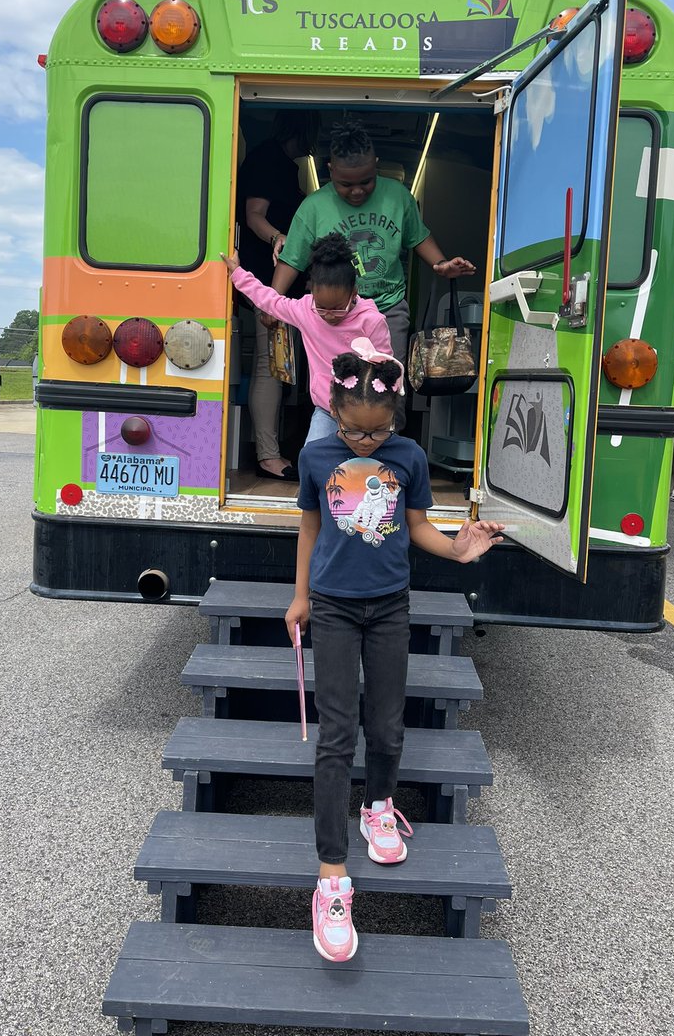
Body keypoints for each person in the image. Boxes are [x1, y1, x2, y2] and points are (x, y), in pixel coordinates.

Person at [284, 347, 504, 962]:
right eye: (353, 429)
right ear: (333, 411)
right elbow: (309, 527)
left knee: (385, 724)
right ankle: (331, 876)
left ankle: (378, 807)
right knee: (336, 734)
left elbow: (415, 528)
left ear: (395, 420)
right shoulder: (316, 456)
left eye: (377, 430)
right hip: (330, 604)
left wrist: (460, 551)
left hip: (388, 606)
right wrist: (299, 595)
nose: (364, 440)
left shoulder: (406, 457)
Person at [270, 118, 476, 424]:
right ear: (329, 171)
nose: (356, 191)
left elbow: (418, 237)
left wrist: (440, 264)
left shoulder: (397, 196)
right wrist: (272, 302)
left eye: (366, 181)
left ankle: (388, 455)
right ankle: (340, 456)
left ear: (376, 166)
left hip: (387, 309)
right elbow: (293, 260)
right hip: (333, 315)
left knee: (389, 387)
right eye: (345, 184)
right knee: (336, 388)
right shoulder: (313, 208)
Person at [221, 234, 394, 444]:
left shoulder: (372, 321)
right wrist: (238, 275)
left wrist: (379, 416)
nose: (329, 315)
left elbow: (387, 370)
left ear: (354, 294)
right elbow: (270, 301)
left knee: (365, 469)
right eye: (322, 308)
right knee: (311, 458)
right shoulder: (306, 310)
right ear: (312, 294)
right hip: (326, 411)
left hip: (365, 415)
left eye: (339, 309)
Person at [237, 111, 318, 481]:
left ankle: (273, 449)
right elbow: (254, 215)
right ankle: (268, 455)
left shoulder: (282, 164)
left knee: (278, 365)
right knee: (270, 365)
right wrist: (278, 238)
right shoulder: (269, 159)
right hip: (268, 279)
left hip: (281, 282)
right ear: (300, 129)